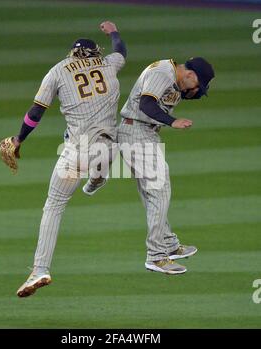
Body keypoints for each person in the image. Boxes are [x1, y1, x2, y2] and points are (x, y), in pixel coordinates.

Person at [0, 21, 126, 297]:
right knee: (104, 152)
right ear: (95, 53)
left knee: (54, 205)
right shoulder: (109, 64)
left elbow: (36, 111)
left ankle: (40, 269)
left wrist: (19, 139)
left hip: (76, 153)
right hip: (108, 147)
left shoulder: (58, 70)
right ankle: (98, 177)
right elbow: (121, 50)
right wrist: (114, 32)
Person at [89, 57, 215, 275]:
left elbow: (177, 94)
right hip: (137, 131)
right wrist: (172, 121)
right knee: (160, 190)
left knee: (152, 194)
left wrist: (188, 94)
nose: (194, 92)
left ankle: (168, 243)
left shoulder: (173, 77)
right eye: (197, 86)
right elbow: (146, 104)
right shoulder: (162, 73)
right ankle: (156, 256)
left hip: (142, 133)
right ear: (190, 75)